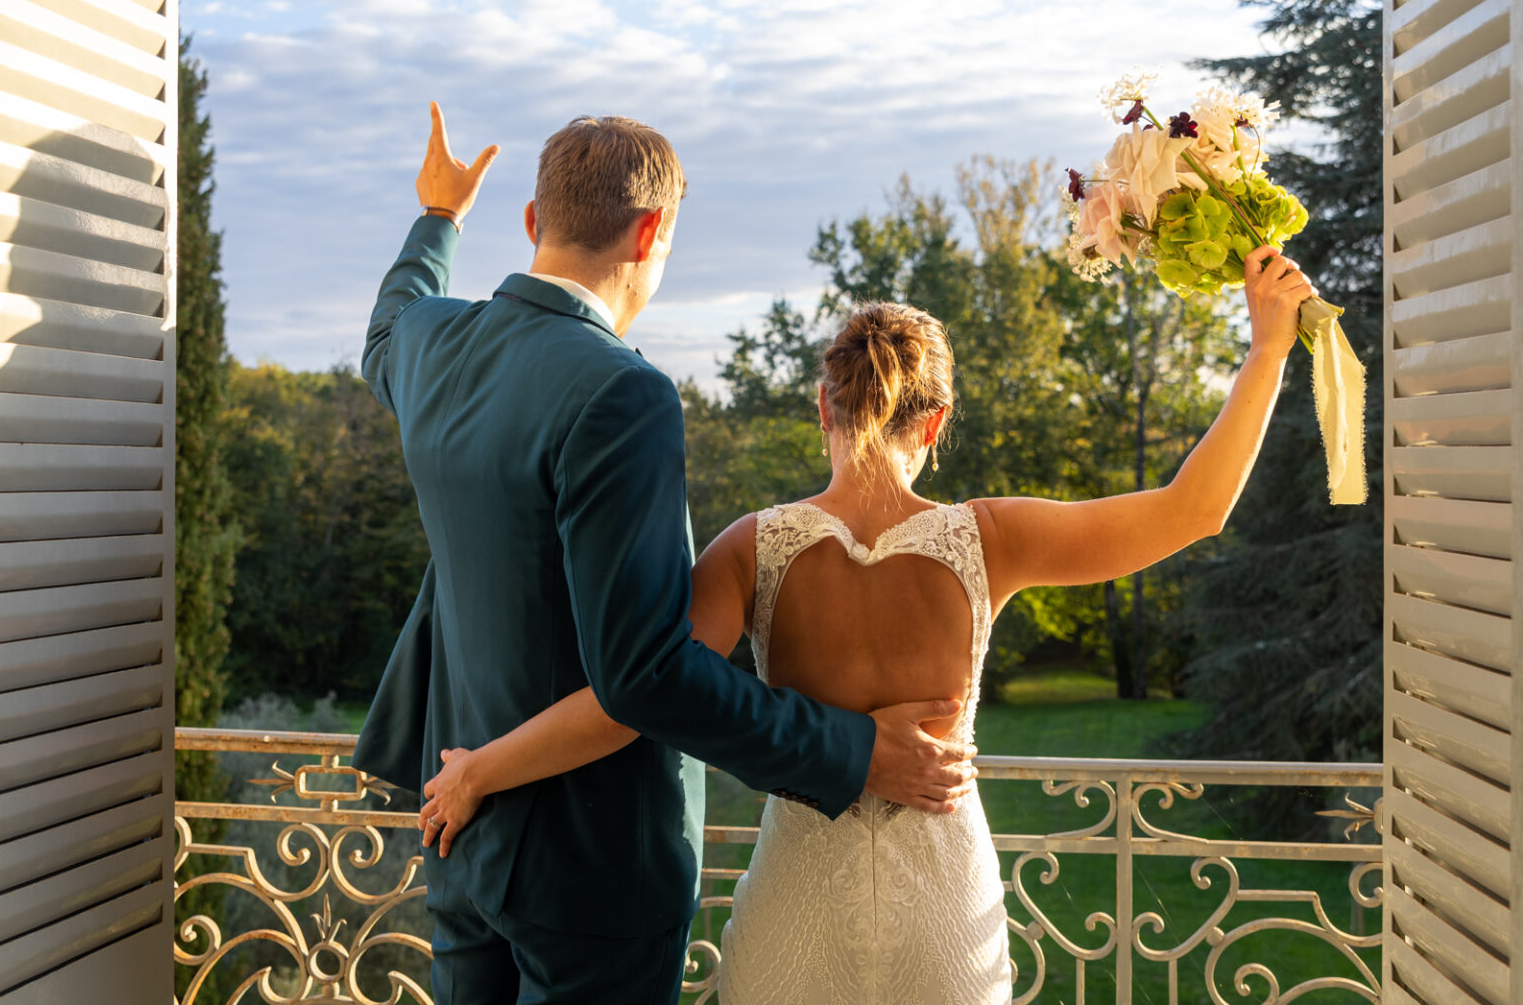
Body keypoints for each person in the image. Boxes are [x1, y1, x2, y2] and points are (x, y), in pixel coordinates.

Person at [418, 248, 1314, 1001]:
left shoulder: (752, 549)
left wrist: (480, 772)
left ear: (824, 409)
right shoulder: (990, 539)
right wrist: (1269, 345)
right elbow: (1195, 508)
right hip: (943, 925)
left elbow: (633, 695)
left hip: (792, 926)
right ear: (938, 422)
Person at [354, 104, 979, 1005]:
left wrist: (438, 218)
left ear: (534, 222)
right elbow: (645, 673)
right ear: (652, 230)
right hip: (595, 869)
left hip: (461, 830)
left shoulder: (430, 347)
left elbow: (388, 323)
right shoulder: (621, 393)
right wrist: (851, 751)